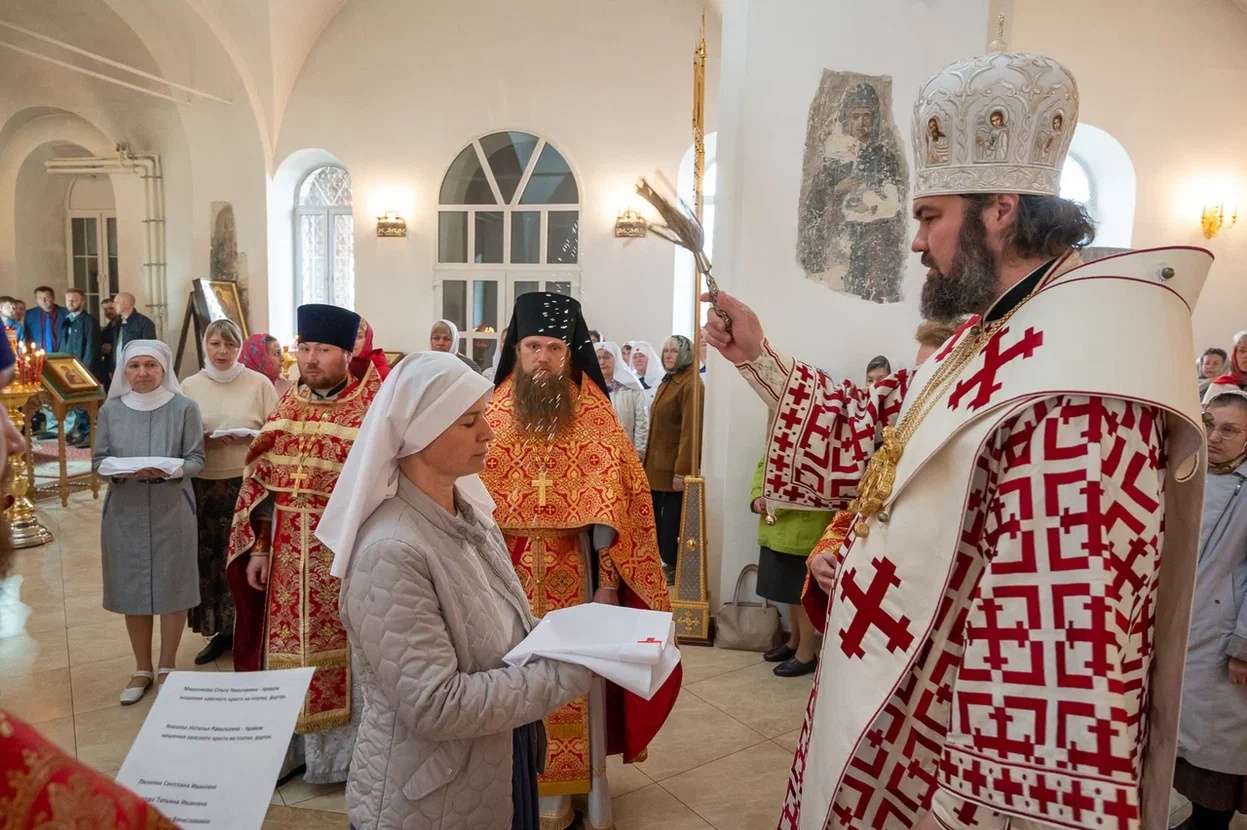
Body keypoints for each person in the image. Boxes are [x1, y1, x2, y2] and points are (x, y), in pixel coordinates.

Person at [704, 51, 1207, 829]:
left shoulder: (1080, 376)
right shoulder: (996, 332)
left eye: (929, 216)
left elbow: (1052, 647)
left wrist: (976, 809)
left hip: (949, 756)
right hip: (897, 695)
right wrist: (757, 357)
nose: (915, 243)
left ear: (999, 209)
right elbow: (882, 426)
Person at [319, 352, 592, 829]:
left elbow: (502, 628)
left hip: (496, 759)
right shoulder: (391, 550)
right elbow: (436, 705)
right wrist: (569, 673)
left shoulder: (468, 514)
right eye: (470, 421)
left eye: (483, 416)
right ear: (421, 432)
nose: (488, 432)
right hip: (430, 795)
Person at [480, 292, 678, 830]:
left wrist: (609, 584)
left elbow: (616, 504)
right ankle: (520, 785)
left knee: (572, 680)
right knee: (511, 675)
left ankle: (576, 793)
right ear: (515, 350)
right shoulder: (489, 410)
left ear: (570, 352)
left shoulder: (593, 413)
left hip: (575, 568)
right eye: (532, 346)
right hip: (505, 572)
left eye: (554, 348)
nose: (542, 357)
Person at [226, 303, 382, 785]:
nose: (311, 358)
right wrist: (259, 549)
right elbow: (264, 486)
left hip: (344, 552)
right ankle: (291, 751)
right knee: (284, 651)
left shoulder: (371, 411)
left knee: (350, 655)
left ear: (344, 354)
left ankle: (342, 760)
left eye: (323, 350)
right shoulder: (288, 405)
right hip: (288, 551)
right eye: (305, 348)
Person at [92, 340, 204, 705]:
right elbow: (99, 461)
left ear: (164, 369)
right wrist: (121, 470)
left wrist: (170, 468)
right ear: (124, 371)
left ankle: (167, 664)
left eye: (150, 366)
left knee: (174, 585)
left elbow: (196, 460)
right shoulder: (111, 411)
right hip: (125, 509)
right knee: (132, 588)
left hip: (173, 507)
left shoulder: (184, 408)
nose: (142, 373)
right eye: (135, 366)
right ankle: (141, 667)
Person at [181, 320, 279, 666]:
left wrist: (252, 437)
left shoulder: (258, 383)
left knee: (247, 558)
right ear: (205, 346)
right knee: (213, 560)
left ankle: (251, 630)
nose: (222, 352)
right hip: (205, 484)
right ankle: (220, 632)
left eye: (230, 345)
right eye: (215, 344)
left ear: (240, 348)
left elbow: (278, 429)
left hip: (248, 485)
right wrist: (203, 439)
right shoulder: (190, 386)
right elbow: (179, 436)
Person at [1175, 391, 1247, 830]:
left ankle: (1208, 824)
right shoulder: (1187, 469)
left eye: (1230, 430)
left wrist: (1244, 643)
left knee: (1218, 747)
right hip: (1188, 626)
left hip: (1224, 634)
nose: (1214, 436)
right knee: (1189, 740)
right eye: (1208, 423)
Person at [750, 454, 830, 677]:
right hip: (774, 525)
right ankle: (793, 642)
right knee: (787, 590)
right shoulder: (781, 427)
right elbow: (762, 465)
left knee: (801, 594)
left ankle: (806, 654)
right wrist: (758, 498)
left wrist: (777, 500)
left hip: (805, 526)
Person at [643, 335, 703, 584]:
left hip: (672, 470)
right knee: (656, 521)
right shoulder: (669, 381)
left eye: (674, 351)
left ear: (686, 353)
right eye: (665, 350)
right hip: (655, 467)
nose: (668, 355)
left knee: (671, 525)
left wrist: (682, 470)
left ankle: (671, 568)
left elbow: (691, 431)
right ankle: (661, 564)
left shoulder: (691, 383)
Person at [56, 288, 101, 446]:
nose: (70, 303)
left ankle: (89, 433)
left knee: (85, 403)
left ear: (82, 301)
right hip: (67, 368)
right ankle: (79, 431)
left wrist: (84, 371)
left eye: (74, 300)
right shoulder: (66, 320)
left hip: (82, 369)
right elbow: (62, 344)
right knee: (75, 403)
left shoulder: (89, 321)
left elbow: (91, 347)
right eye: (68, 300)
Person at [596, 341, 648, 455]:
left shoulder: (631, 386)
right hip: (598, 452)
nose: (602, 362)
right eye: (598, 358)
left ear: (616, 359)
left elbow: (641, 422)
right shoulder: (591, 388)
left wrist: (639, 452)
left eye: (607, 357)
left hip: (626, 451)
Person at [103, 293, 157, 380]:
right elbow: (115, 348)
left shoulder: (145, 323)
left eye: (116, 302)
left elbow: (148, 351)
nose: (113, 305)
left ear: (126, 304)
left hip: (135, 371)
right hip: (117, 370)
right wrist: (112, 368)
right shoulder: (117, 322)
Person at [240, 332, 293, 398]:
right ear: (259, 358)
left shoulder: (285, 386)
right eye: (277, 353)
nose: (282, 358)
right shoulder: (241, 392)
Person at [1205, 332, 1247, 403]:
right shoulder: (1221, 386)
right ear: (1235, 355)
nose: (1245, 356)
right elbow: (1205, 412)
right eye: (1242, 351)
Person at [23, 286, 68, 352]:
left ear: (53, 298)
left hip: (62, 355)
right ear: (36, 300)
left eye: (47, 297)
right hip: (38, 356)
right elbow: (27, 337)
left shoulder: (66, 313)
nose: (43, 301)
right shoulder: (29, 314)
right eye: (40, 298)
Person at [628, 340, 663, 404]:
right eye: (635, 357)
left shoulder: (661, 378)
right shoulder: (630, 381)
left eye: (642, 356)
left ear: (650, 358)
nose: (638, 360)